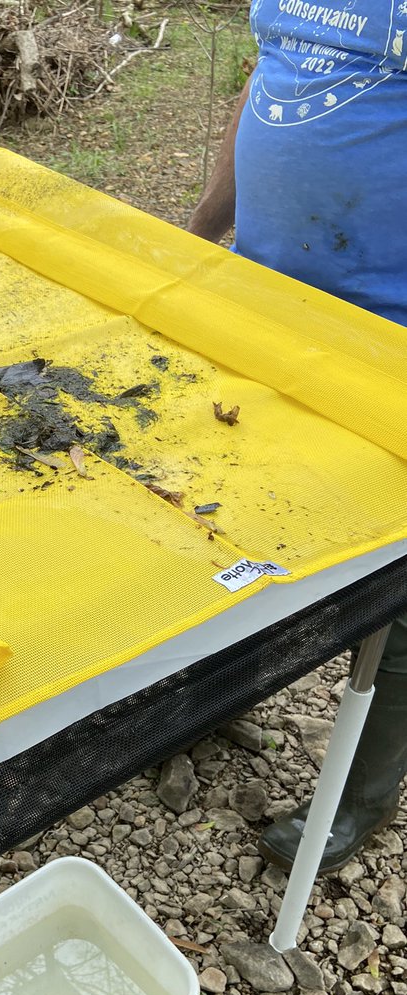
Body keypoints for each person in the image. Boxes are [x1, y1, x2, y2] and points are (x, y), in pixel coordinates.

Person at [189, 0, 407, 874]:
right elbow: (266, 89)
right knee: (239, 515)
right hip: (265, 311)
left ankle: (363, 795)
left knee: (395, 591)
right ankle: (219, 696)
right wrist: (201, 233)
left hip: (383, 341)